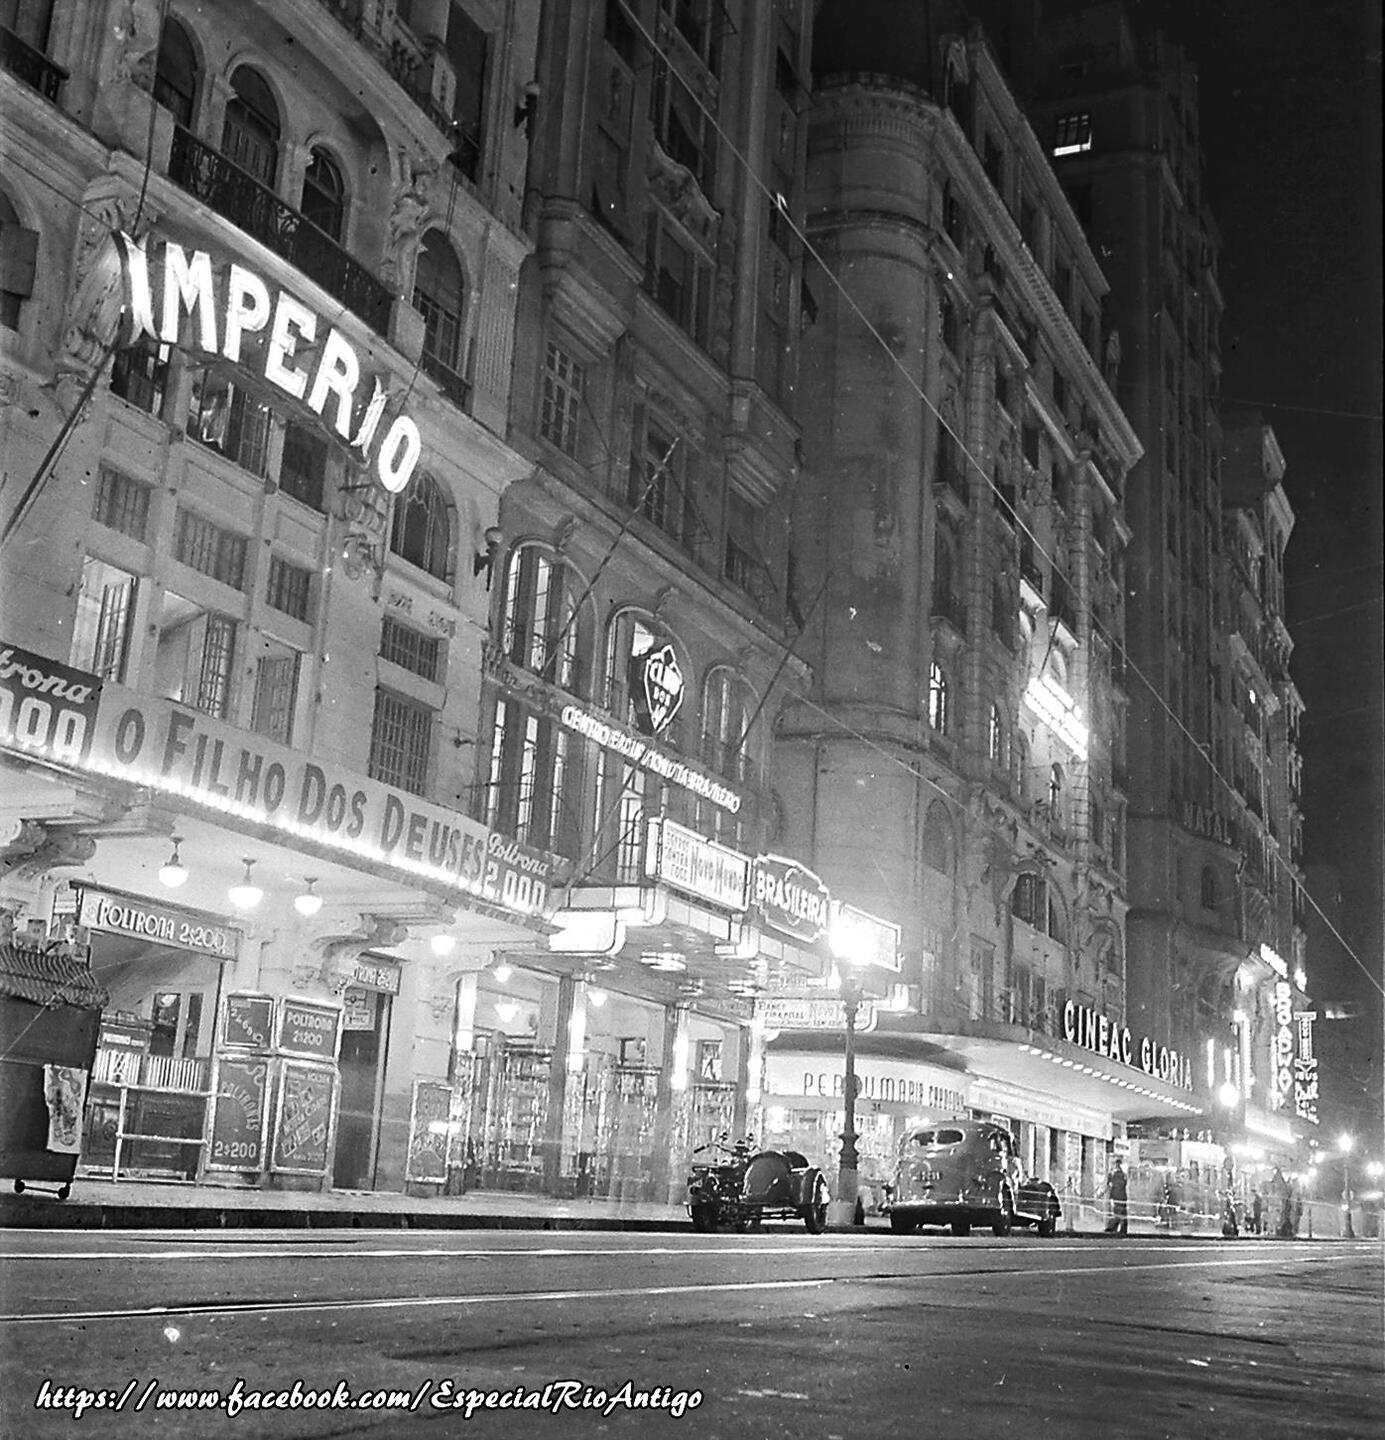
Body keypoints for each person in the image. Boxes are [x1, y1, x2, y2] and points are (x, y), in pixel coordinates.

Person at [1104, 1157, 1128, 1235]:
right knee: (1121, 1212)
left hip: (1117, 1195)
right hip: (1122, 1196)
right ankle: (1121, 1228)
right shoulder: (1123, 1173)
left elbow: (1109, 1183)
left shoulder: (1115, 1174)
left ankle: (1113, 1227)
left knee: (1118, 1212)